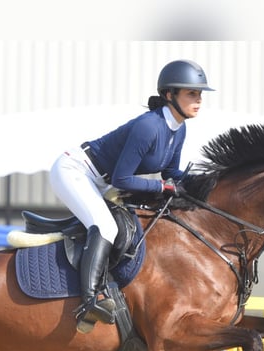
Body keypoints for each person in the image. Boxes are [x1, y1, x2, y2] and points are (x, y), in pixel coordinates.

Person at [50, 59, 215, 334]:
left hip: (100, 182)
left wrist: (205, 181)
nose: (198, 100)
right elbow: (122, 179)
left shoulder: (179, 128)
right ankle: (90, 300)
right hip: (74, 171)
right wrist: (163, 189)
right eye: (192, 94)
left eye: (199, 94)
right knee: (105, 226)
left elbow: (170, 172)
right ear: (169, 95)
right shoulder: (149, 127)